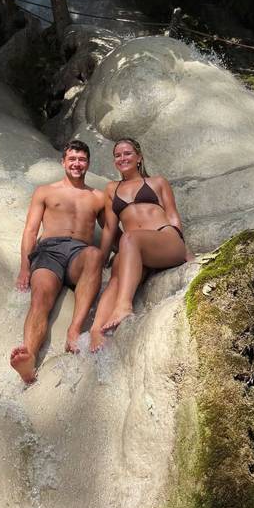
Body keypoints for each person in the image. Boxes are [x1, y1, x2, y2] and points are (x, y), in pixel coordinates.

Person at [11, 139, 105, 383]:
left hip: (78, 254)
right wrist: (24, 268)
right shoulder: (45, 192)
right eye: (72, 159)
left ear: (88, 164)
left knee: (95, 254)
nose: (77, 164)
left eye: (82, 159)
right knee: (41, 295)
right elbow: (31, 231)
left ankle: (74, 330)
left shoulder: (98, 197)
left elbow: (110, 232)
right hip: (49, 252)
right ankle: (29, 358)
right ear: (63, 162)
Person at [90, 137, 191, 352]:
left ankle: (123, 306)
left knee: (129, 238)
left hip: (165, 239)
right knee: (117, 270)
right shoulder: (111, 189)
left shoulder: (157, 182)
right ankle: (96, 332)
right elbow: (109, 228)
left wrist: (186, 251)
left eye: (127, 153)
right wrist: (101, 260)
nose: (122, 158)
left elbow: (173, 217)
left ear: (139, 157)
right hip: (136, 250)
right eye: (118, 155)